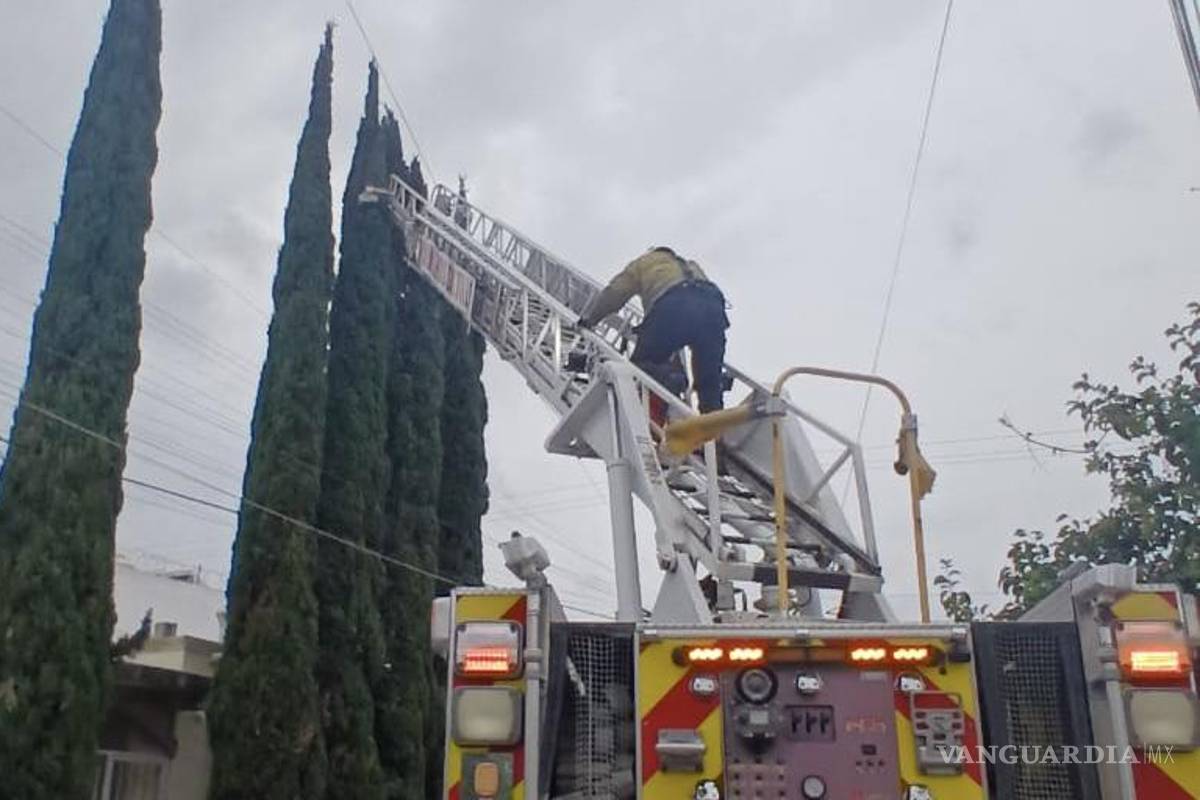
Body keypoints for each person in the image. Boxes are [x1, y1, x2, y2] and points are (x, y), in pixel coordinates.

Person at [578, 246, 729, 413]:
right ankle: (714, 427)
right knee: (709, 379)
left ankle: (673, 382)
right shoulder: (688, 265)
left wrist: (590, 319)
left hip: (674, 305)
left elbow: (615, 292)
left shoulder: (643, 263)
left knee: (640, 368)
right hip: (713, 308)